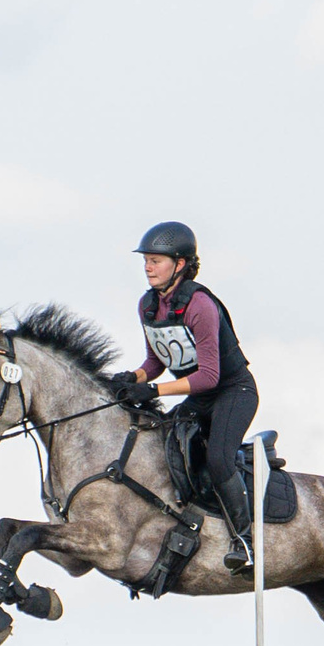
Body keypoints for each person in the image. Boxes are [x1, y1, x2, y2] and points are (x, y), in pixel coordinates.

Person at [107, 220, 259, 541]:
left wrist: (152, 389)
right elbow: (156, 361)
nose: (147, 268)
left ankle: (246, 539)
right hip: (200, 399)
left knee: (217, 460)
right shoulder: (148, 305)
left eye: (155, 261)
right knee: (163, 447)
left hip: (233, 393)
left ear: (179, 265)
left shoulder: (199, 305)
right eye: (145, 260)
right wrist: (130, 378)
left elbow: (208, 376)